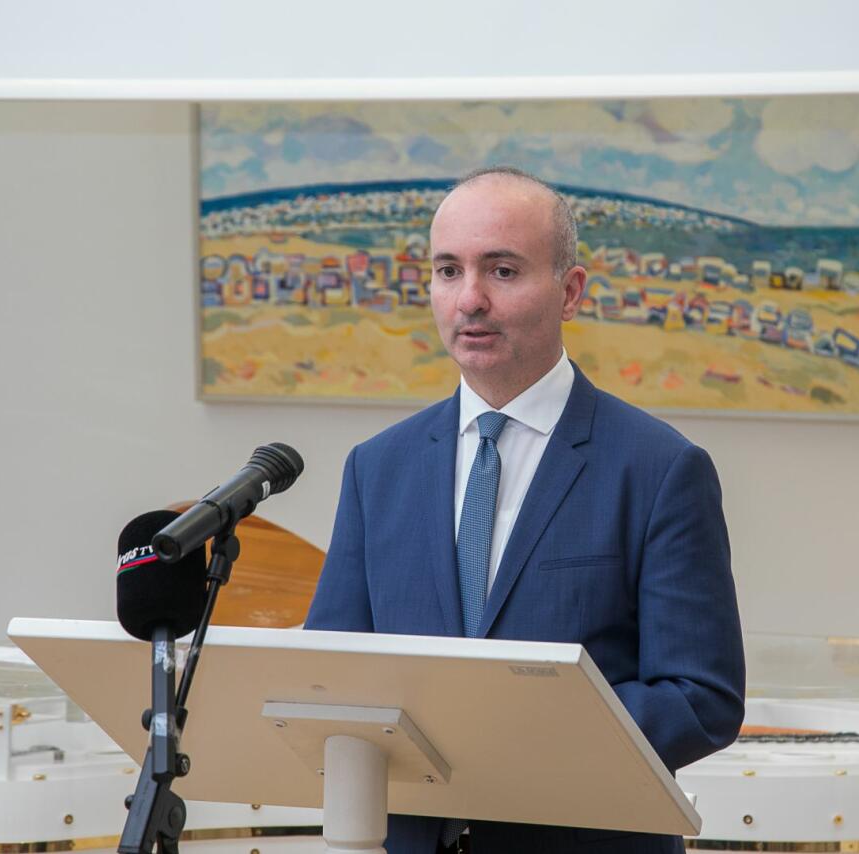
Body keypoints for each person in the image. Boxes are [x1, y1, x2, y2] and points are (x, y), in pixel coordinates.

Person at [305, 167, 745, 854]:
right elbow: (329, 679)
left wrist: (505, 740)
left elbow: (701, 698)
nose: (470, 299)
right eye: (448, 271)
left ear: (570, 292)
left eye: (502, 271)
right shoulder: (377, 467)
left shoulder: (660, 468)